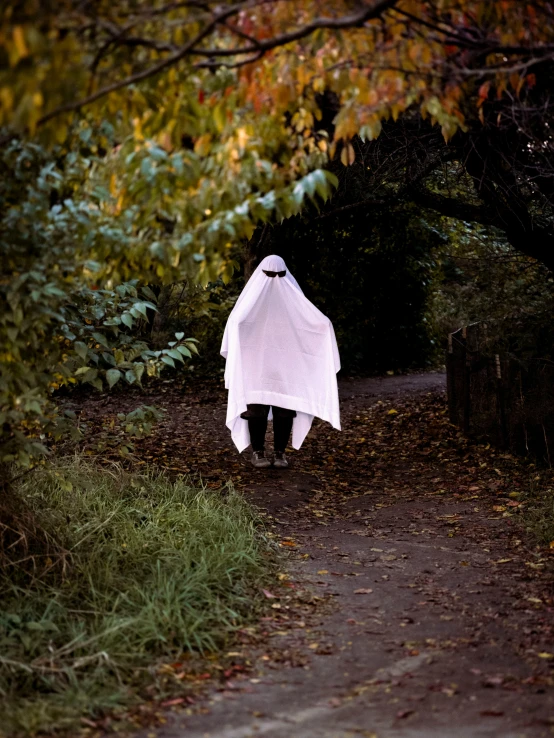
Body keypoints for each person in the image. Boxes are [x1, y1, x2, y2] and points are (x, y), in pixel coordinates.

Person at [220, 254, 341, 468]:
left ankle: (279, 453)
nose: (275, 279)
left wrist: (323, 326)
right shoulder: (251, 303)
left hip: (286, 365)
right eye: (270, 275)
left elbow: (309, 323)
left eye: (279, 275)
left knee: (285, 408)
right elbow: (236, 323)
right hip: (256, 365)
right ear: (261, 275)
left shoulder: (292, 300)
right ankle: (257, 451)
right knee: (256, 407)